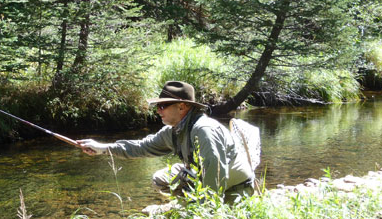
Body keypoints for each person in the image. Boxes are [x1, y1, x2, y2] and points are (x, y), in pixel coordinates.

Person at [77, 81, 256, 203]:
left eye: (163, 106)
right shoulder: (173, 131)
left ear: (182, 106)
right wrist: (103, 148)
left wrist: (208, 211)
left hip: (234, 189)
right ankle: (192, 205)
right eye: (157, 106)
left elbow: (216, 171)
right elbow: (141, 147)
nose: (158, 111)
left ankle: (201, 208)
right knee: (160, 179)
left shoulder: (204, 130)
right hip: (207, 180)